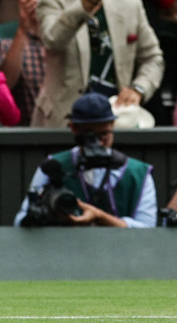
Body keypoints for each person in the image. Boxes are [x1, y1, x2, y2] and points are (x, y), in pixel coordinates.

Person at [33, 0, 163, 128]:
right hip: (65, 118)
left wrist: (138, 89)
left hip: (116, 118)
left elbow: (153, 58)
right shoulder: (52, 1)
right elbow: (53, 40)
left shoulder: (129, 2)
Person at [14, 92, 157, 227]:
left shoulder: (137, 173)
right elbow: (21, 220)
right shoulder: (55, 166)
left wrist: (100, 217)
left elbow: (147, 228)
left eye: (104, 134)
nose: (98, 143)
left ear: (112, 125)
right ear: (74, 129)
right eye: (90, 136)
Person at [0, 0, 50, 125]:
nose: (38, 1)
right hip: (26, 132)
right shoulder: (8, 43)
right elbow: (6, 86)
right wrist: (23, 28)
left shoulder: (68, 37)